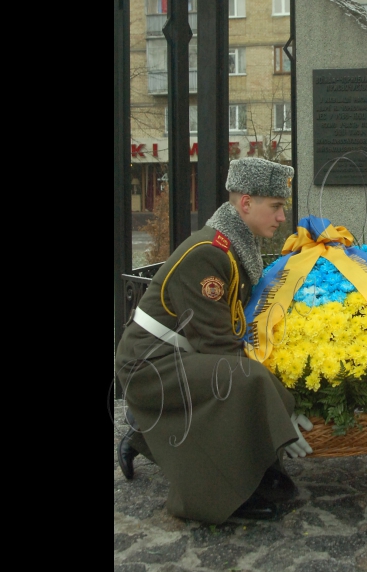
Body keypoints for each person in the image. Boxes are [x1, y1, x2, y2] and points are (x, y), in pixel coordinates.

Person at [115, 158, 315, 524]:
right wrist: (281, 407)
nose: (282, 217)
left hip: (171, 358)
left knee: (241, 376)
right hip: (148, 367)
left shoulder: (235, 247)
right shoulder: (208, 253)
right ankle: (220, 496)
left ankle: (148, 436)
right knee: (238, 379)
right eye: (275, 207)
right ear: (245, 204)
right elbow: (218, 347)